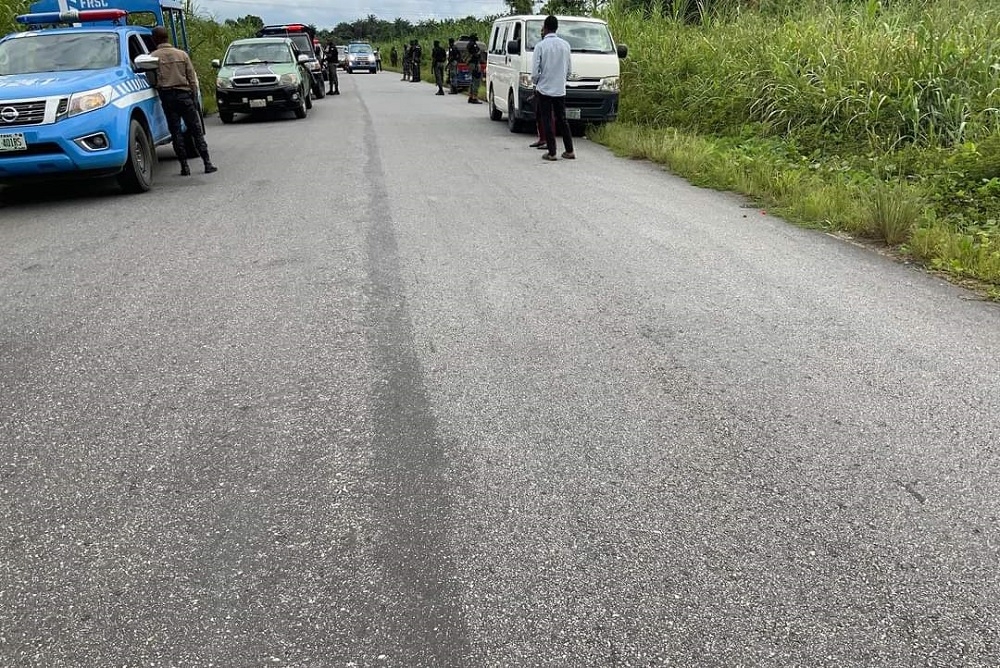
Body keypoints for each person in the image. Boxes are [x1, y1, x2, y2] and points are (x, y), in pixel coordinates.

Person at [149, 25, 217, 175]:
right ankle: (207, 163)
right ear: (167, 37)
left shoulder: (152, 57)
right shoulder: (182, 55)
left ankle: (184, 167)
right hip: (185, 95)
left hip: (168, 98)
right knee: (196, 131)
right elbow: (192, 78)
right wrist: (193, 97)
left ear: (155, 39)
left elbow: (152, 80)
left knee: (176, 133)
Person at [532, 15, 574, 160]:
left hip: (544, 89)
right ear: (556, 27)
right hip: (560, 89)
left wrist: (536, 83)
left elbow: (534, 71)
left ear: (545, 27)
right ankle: (569, 150)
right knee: (562, 119)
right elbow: (569, 71)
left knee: (547, 120)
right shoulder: (565, 45)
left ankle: (552, 152)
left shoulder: (540, 46)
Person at [466, 34, 482, 104]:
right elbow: (476, 54)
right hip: (474, 63)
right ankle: (474, 97)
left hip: (470, 64)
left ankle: (470, 96)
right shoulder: (473, 44)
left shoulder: (469, 44)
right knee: (476, 81)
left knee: (472, 81)